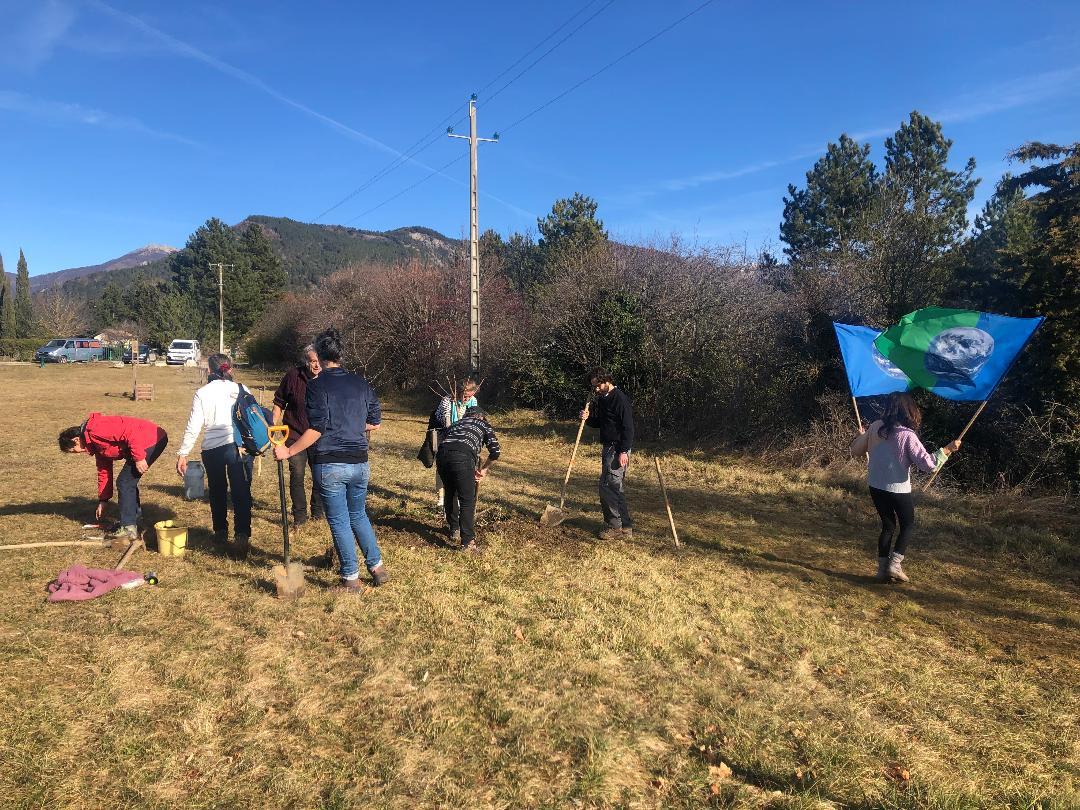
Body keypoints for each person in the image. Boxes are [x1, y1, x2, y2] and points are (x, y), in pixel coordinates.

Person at [273, 328, 388, 592]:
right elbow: (374, 422)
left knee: (339, 521)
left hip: (331, 464)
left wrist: (288, 451)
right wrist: (351, 425)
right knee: (358, 514)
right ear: (340, 354)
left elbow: (316, 429)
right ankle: (377, 567)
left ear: (321, 356)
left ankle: (351, 579)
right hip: (360, 462)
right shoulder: (361, 383)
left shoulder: (316, 386)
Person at [850, 392, 961, 583]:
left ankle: (882, 571)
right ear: (909, 411)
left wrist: (862, 437)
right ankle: (895, 565)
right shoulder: (907, 435)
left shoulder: (876, 426)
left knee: (888, 526)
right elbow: (928, 465)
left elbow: (855, 451)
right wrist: (948, 449)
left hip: (876, 486)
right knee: (907, 524)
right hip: (898, 489)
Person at [176, 353, 252, 557]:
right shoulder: (242, 389)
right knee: (241, 492)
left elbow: (194, 426)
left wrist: (183, 453)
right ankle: (242, 534)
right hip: (239, 447)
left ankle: (220, 532)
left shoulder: (202, 393)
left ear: (209, 370)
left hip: (213, 449)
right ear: (229, 369)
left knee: (217, 491)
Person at [58, 413, 169, 540]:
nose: (77, 453)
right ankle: (135, 520)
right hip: (145, 441)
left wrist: (139, 458)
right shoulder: (95, 445)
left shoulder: (96, 428)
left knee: (125, 482)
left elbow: (131, 432)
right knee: (128, 481)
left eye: (73, 450)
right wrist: (103, 500)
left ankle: (129, 528)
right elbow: (104, 472)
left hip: (151, 439)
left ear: (76, 440)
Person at [435, 406, 500, 554]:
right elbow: (495, 451)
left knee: (450, 493)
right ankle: (468, 543)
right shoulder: (483, 424)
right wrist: (484, 469)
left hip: (442, 456)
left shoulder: (456, 424)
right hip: (462, 458)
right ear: (481, 417)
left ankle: (454, 529)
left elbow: (443, 438)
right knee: (467, 500)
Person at [579, 368, 635, 540]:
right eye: (593, 387)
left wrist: (623, 450)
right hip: (608, 447)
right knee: (614, 487)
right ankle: (625, 527)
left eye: (597, 386)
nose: (595, 389)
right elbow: (602, 423)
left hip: (617, 448)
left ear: (607, 381)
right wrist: (587, 418)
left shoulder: (620, 399)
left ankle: (615, 527)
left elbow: (628, 427)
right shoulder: (603, 399)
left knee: (609, 487)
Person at [271, 344, 324, 526]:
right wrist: (274, 424)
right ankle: (299, 517)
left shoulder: (327, 379)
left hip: (319, 435)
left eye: (319, 361)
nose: (317, 365)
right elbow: (279, 402)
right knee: (297, 473)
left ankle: (318, 513)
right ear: (306, 362)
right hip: (294, 433)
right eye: (312, 361)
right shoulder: (293, 376)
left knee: (320, 475)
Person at [432, 378, 479, 507]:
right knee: (442, 465)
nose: (466, 399)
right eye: (464, 396)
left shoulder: (473, 401)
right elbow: (447, 424)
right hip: (442, 433)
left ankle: (457, 497)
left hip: (462, 436)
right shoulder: (447, 401)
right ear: (458, 392)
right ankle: (441, 498)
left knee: (461, 467)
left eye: (469, 396)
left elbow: (473, 421)